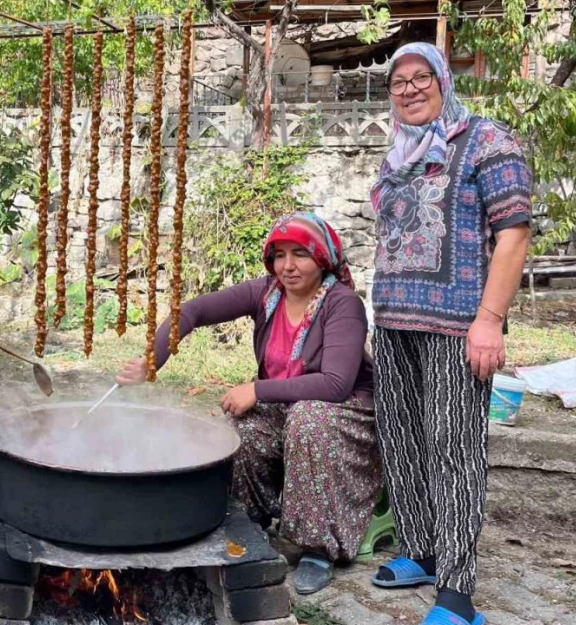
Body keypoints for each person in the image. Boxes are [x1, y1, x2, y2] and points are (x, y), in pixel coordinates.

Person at [116, 212, 380, 595]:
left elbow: (335, 384)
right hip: (290, 405)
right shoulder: (267, 293)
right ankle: (252, 521)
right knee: (238, 429)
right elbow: (192, 311)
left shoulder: (342, 304)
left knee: (309, 419)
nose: (287, 266)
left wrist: (257, 390)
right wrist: (153, 361)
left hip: (344, 411)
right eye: (279, 255)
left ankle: (318, 548)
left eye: (300, 255)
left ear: (322, 257)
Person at [369, 42, 532, 625]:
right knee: (403, 440)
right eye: (398, 81)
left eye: (421, 78)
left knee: (455, 448)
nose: (409, 89)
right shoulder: (399, 154)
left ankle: (458, 590)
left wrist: (488, 320)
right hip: (393, 322)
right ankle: (421, 548)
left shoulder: (488, 141)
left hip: (457, 325)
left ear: (443, 81)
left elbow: (513, 233)